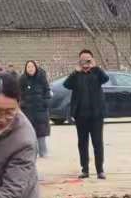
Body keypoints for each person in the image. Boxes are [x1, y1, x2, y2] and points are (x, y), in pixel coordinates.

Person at [62, 49, 109, 180]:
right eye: (83, 60)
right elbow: (66, 84)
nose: (85, 62)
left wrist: (96, 67)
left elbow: (106, 79)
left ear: (92, 59)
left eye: (88, 59)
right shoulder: (76, 75)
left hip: (96, 115)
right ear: (79, 61)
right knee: (82, 143)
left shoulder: (97, 72)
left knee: (97, 142)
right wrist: (75, 71)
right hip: (80, 115)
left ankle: (100, 170)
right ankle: (85, 169)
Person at [20, 60, 52, 158]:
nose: (30, 69)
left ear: (35, 68)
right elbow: (19, 94)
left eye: (32, 67)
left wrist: (46, 102)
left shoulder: (41, 78)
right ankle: (33, 152)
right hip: (28, 110)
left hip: (40, 110)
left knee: (41, 131)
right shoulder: (22, 79)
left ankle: (43, 152)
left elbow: (47, 90)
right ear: (26, 68)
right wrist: (22, 103)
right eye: (28, 67)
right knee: (30, 132)